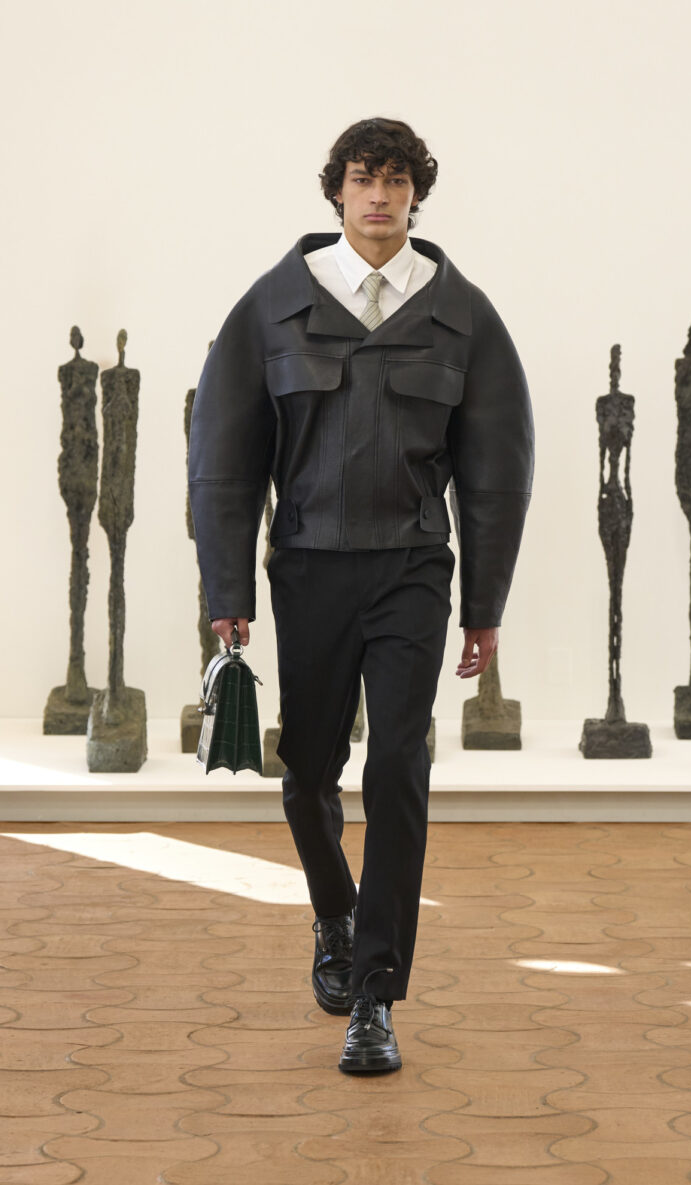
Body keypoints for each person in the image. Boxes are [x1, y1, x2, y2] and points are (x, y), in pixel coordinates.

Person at [188, 116, 534, 1074]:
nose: (379, 195)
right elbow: (222, 461)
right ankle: (335, 912)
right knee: (307, 770)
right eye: (361, 178)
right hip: (306, 568)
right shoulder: (273, 306)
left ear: (417, 193)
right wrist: (226, 589)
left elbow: (498, 471)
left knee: (398, 769)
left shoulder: (462, 314)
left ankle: (375, 994)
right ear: (336, 190)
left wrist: (485, 603)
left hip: (413, 571)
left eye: (395, 180)